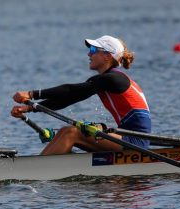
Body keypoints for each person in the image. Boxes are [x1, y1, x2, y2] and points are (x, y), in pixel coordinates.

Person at [11, 35, 151, 155]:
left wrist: (32, 94)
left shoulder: (113, 79)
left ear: (108, 56)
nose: (89, 54)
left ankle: (36, 170)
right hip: (126, 137)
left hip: (135, 142)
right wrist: (30, 108)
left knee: (70, 133)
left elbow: (71, 91)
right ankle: (49, 164)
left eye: (94, 50)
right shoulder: (106, 80)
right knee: (67, 132)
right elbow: (70, 98)